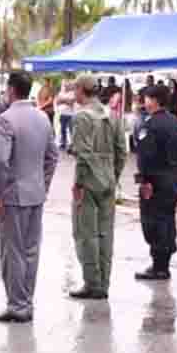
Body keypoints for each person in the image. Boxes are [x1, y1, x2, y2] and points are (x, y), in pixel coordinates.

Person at [0, 71, 59, 323]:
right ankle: (25, 301)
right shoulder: (42, 116)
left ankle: (17, 305)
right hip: (35, 192)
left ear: (10, 89)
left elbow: (0, 161)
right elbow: (53, 156)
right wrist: (44, 184)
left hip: (13, 195)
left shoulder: (6, 119)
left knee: (13, 251)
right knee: (30, 250)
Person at [68, 75, 127, 299]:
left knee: (86, 234)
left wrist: (79, 183)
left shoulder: (82, 116)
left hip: (89, 179)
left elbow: (82, 154)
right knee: (105, 233)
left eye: (76, 89)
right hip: (108, 179)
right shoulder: (112, 115)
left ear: (82, 90)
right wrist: (113, 174)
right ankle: (103, 283)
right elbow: (122, 151)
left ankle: (92, 283)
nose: (74, 93)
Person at [134, 85, 177, 280]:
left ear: (155, 100)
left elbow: (146, 156)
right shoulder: (176, 123)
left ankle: (160, 266)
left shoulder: (151, 125)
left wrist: (145, 181)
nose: (144, 102)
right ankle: (162, 263)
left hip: (157, 182)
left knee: (154, 222)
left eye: (147, 98)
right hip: (175, 180)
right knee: (167, 220)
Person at [55, 81, 77, 150]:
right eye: (64, 85)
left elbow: (71, 102)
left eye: (67, 85)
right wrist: (66, 100)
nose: (65, 86)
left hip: (71, 114)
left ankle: (72, 145)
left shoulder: (73, 93)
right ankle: (63, 143)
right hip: (62, 114)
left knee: (71, 130)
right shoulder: (61, 93)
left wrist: (63, 100)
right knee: (62, 129)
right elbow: (57, 102)